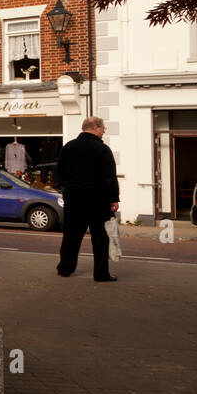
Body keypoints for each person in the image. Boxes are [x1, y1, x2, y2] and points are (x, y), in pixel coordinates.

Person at [56, 116, 121, 282]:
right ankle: (100, 273)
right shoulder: (102, 149)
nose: (104, 131)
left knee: (71, 235)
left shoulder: (68, 147)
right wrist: (114, 198)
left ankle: (65, 268)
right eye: (103, 128)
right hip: (97, 200)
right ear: (96, 127)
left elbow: (60, 173)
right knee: (100, 237)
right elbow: (109, 177)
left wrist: (66, 189)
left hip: (74, 198)